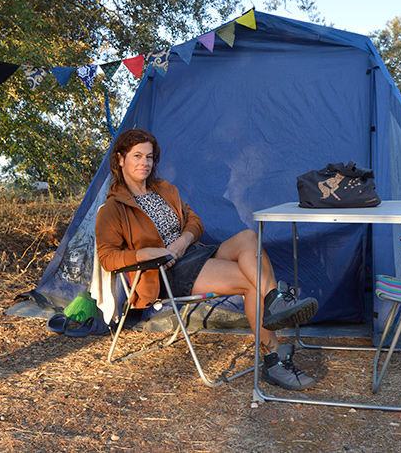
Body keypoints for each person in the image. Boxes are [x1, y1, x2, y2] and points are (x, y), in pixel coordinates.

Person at [96, 129, 319, 390]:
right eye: (137, 156)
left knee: (248, 237)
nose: (145, 163)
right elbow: (107, 258)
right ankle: (273, 359)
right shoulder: (113, 208)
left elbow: (195, 222)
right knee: (250, 281)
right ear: (120, 159)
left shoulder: (163, 189)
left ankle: (275, 302)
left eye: (150, 156)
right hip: (164, 273)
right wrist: (146, 253)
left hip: (190, 253)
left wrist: (181, 242)